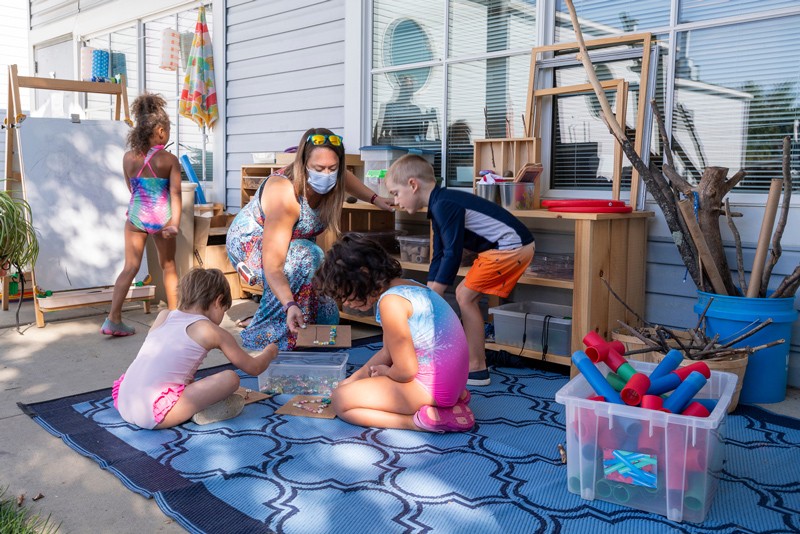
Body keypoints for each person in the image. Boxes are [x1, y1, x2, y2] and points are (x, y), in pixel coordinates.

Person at [226, 128, 392, 350]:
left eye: (332, 168)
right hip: (252, 245)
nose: (326, 174)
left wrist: (376, 199)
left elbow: (347, 178)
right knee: (307, 256)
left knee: (327, 314)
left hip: (296, 244)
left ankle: (306, 332)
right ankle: (266, 333)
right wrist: (290, 305)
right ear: (303, 164)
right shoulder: (284, 194)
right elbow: (273, 266)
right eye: (319, 168)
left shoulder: (335, 177)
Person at [386, 154, 535, 387]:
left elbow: (453, 254)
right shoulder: (438, 205)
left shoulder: (445, 204)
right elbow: (440, 252)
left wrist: (434, 294)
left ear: (413, 185)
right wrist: (430, 290)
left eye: (396, 193)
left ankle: (477, 368)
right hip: (509, 247)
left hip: (512, 246)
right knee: (465, 295)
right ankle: (476, 360)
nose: (396, 200)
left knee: (465, 296)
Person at [314, 235, 474, 433]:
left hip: (430, 388)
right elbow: (388, 352)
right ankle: (443, 403)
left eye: (346, 294)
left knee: (341, 401)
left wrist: (385, 373)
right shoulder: (412, 286)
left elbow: (405, 371)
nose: (345, 303)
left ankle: (419, 421)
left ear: (363, 275)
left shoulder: (391, 303)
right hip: (454, 385)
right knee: (346, 389)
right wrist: (353, 380)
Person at [113, 268, 278, 429]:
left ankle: (190, 409)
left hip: (125, 400)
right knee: (231, 378)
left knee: (184, 376)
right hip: (153, 415)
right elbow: (254, 368)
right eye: (224, 310)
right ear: (218, 301)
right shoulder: (211, 330)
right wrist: (270, 351)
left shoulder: (164, 315)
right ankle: (198, 412)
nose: (223, 316)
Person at [102, 93, 182, 336]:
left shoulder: (128, 158)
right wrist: (174, 223)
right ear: (159, 131)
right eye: (167, 131)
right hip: (162, 219)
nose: (167, 135)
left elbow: (132, 188)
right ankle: (174, 321)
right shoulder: (169, 160)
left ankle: (113, 319)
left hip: (135, 217)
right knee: (168, 266)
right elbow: (176, 194)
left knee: (130, 267)